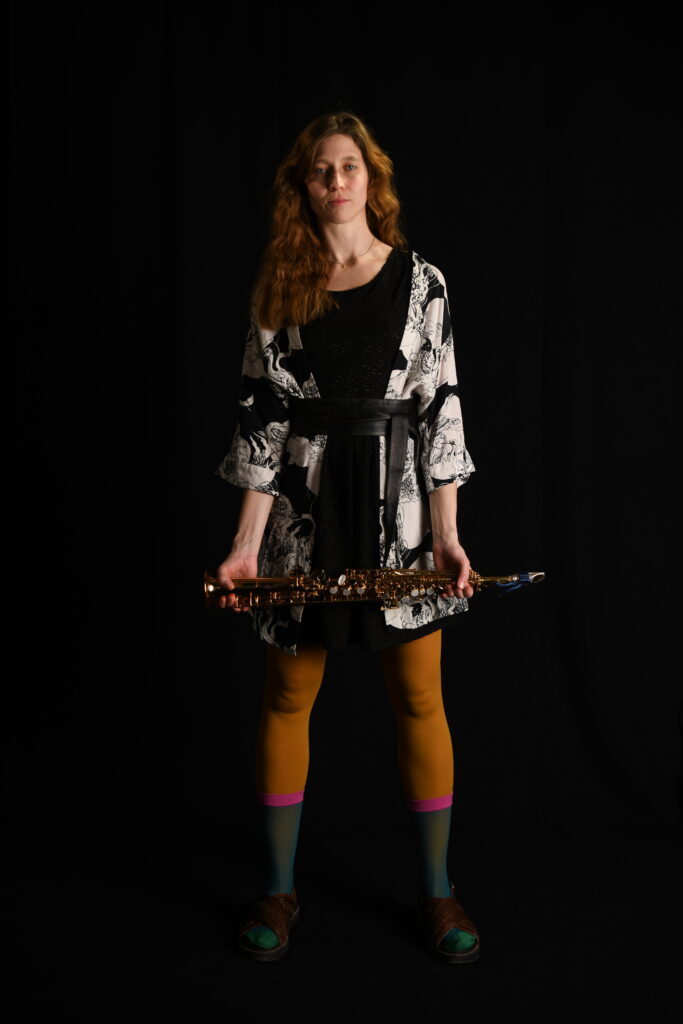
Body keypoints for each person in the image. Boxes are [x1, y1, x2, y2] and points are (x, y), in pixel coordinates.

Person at [214, 111, 479, 964]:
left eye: (349, 166)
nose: (336, 180)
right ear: (304, 186)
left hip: (402, 517)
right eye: (321, 169)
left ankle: (437, 892)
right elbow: (260, 423)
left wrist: (447, 536)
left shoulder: (423, 281)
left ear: (372, 178)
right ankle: (278, 890)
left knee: (420, 699)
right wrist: (245, 548)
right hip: (305, 514)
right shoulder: (279, 286)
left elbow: (441, 413)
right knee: (287, 698)